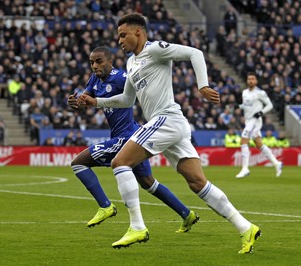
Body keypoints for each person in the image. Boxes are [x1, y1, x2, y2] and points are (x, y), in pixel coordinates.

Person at [78, 13, 260, 254]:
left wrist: (202, 85)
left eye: (123, 35)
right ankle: (245, 227)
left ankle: (137, 226)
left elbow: (195, 53)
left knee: (120, 162)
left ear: (138, 32)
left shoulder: (155, 50)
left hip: (167, 119)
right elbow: (126, 100)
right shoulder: (132, 63)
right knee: (197, 183)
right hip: (171, 125)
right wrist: (96, 102)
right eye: (118, 36)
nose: (120, 40)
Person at [68, 46, 199, 234]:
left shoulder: (121, 78)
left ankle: (105, 206)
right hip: (129, 136)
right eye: (91, 62)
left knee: (78, 164)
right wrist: (76, 103)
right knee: (148, 183)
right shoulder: (95, 80)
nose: (94, 66)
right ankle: (187, 214)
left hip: (126, 137)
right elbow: (86, 99)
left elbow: (134, 94)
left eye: (98, 61)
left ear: (110, 61)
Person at [235, 72, 282, 178]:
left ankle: (245, 168)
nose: (250, 81)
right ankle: (276, 163)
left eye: (252, 79)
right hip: (248, 121)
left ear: (256, 81)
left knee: (243, 140)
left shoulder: (260, 93)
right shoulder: (245, 92)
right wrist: (239, 106)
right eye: (249, 79)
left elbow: (270, 105)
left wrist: (261, 112)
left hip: (255, 121)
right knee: (259, 144)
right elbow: (246, 105)